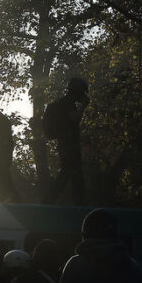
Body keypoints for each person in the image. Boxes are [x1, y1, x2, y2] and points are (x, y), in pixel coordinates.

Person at [42, 77, 89, 205]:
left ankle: (51, 200)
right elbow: (74, 119)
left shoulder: (63, 102)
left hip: (64, 143)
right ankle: (49, 201)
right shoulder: (68, 103)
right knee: (70, 172)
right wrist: (84, 105)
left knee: (70, 172)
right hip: (69, 144)